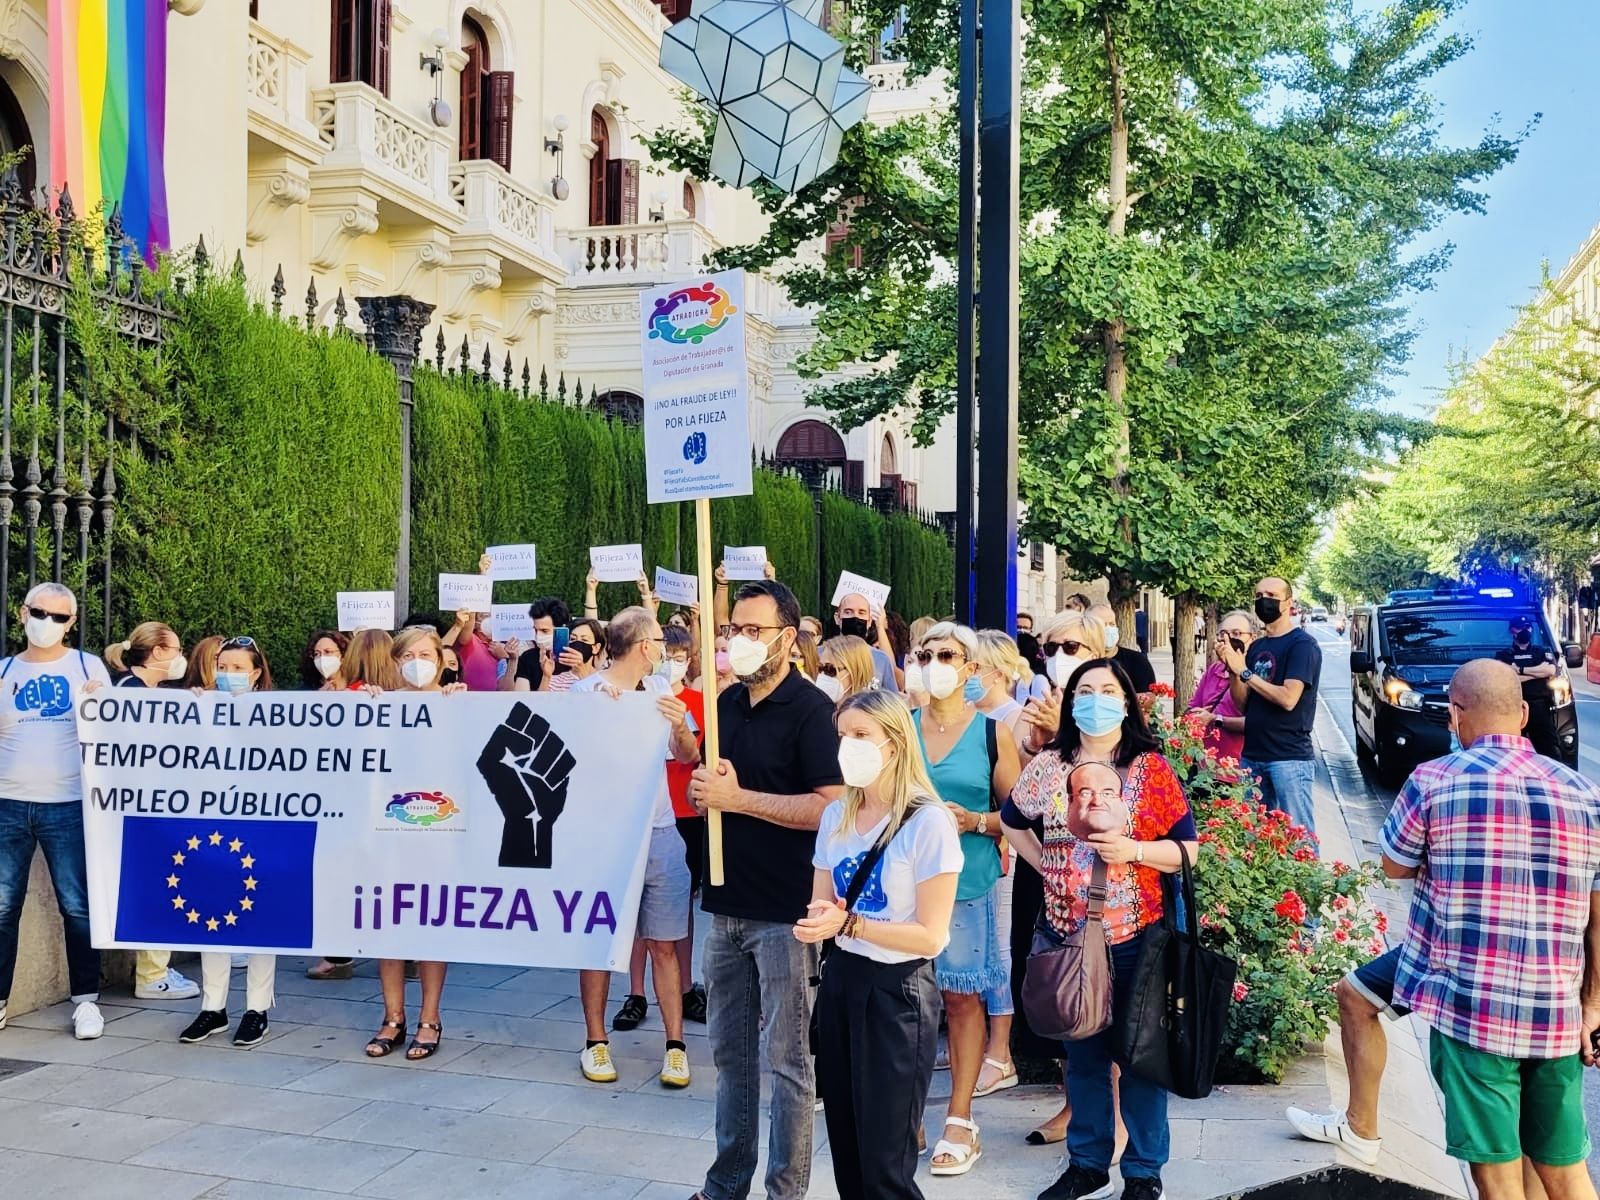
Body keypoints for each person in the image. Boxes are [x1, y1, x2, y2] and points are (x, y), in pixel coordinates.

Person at [1378, 658, 1600, 1200]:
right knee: (1568, 1174)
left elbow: (1393, 865)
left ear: (1455, 715)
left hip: (1473, 1011)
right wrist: (1593, 1004)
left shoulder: (1433, 780)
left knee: (1498, 1181)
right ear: (1523, 714)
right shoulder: (1584, 793)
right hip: (1556, 1012)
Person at [1003, 658, 1199, 1200]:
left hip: (1138, 937)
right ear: (1070, 703)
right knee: (1083, 1057)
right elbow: (1011, 820)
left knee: (1140, 1060)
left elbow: (1188, 850)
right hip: (1069, 939)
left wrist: (1135, 849)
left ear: (1126, 701)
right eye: (1084, 690)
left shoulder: (1149, 769)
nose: (1095, 699)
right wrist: (1045, 864)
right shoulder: (1048, 766)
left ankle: (1143, 1172)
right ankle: (1087, 1162)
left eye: (1107, 690)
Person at [688, 580, 845, 1200]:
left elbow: (830, 806)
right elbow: (715, 782)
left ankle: (787, 1190)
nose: (741, 642)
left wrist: (738, 800)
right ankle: (727, 1182)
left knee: (787, 1063)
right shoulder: (724, 706)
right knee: (730, 1058)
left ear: (788, 637)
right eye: (734, 630)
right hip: (725, 904)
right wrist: (707, 783)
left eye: (755, 631)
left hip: (785, 910)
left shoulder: (812, 712)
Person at [798, 689, 962, 1200]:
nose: (847, 746)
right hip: (843, 981)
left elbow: (931, 935)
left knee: (885, 1159)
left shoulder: (927, 822)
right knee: (847, 1148)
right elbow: (822, 902)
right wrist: (820, 924)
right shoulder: (837, 816)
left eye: (861, 736)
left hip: (898, 992)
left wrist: (848, 925)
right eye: (842, 735)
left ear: (893, 743)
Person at [567, 607, 700, 1087]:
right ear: (646, 646)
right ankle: (596, 1041)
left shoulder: (661, 692)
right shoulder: (583, 693)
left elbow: (687, 755)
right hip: (604, 838)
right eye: (660, 643)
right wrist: (597, 718)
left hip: (660, 832)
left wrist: (680, 725)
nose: (665, 652)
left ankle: (675, 1046)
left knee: (664, 942)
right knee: (598, 941)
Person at [911, 623, 1021, 1177]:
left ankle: (960, 1117)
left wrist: (976, 820)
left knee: (959, 999)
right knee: (906, 1000)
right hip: (904, 887)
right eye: (925, 653)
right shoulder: (901, 729)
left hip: (966, 882)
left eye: (947, 654)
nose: (934, 663)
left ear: (971, 668)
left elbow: (1020, 816)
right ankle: (909, 1112)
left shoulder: (991, 734)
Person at [0, 583, 111, 1041]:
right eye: (41, 612)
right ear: (23, 613)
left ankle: (86, 1001)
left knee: (77, 905)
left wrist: (100, 701)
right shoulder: (4, 671)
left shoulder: (88, 667)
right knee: (2, 907)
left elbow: (122, 732)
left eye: (59, 617)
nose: (48, 622)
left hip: (68, 805)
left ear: (72, 623)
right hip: (7, 804)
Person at [361, 627, 465, 1061]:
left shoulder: (458, 703)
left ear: (441, 660)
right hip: (389, 830)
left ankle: (429, 1017)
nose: (418, 662)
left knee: (430, 924)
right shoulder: (379, 704)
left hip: (439, 833)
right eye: (410, 655)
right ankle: (393, 1016)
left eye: (427, 654)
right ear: (396, 661)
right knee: (388, 925)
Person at [179, 636, 280, 1048]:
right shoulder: (200, 706)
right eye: (224, 665)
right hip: (212, 822)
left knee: (262, 920)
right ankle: (213, 1007)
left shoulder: (281, 713)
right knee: (210, 912)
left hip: (264, 824)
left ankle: (257, 1008)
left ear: (256, 673)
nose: (229, 674)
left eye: (239, 667)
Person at [107, 622, 201, 1002]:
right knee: (158, 884)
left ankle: (154, 969)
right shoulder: (132, 693)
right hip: (138, 811)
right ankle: (152, 975)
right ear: (159, 652)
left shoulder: (142, 691)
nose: (181, 657)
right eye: (177, 649)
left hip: (141, 808)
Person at [1219, 577, 1322, 837]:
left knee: (1298, 837)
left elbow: (1289, 698)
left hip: (1289, 758)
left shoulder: (1302, 645)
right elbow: (1244, 705)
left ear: (1288, 603)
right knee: (1255, 837)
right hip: (1253, 755)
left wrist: (1244, 672)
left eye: (1271, 595)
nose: (1263, 600)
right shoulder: (1258, 647)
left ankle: (1307, 879)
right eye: (1258, 594)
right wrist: (1234, 668)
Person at [1188, 609, 1257, 762]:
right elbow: (1193, 706)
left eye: (1237, 633)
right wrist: (1195, 715)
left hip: (1238, 767)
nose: (1228, 639)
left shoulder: (1256, 675)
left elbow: (1256, 724)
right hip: (1205, 764)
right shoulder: (1214, 669)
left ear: (1252, 638)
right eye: (1222, 634)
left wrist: (1214, 719)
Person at [1495, 615, 1562, 759]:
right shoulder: (1504, 654)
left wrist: (1519, 670)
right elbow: (1505, 676)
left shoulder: (1542, 651)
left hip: (1540, 708)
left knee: (1549, 751)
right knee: (1511, 752)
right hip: (1513, 709)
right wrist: (1537, 673)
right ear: (1512, 630)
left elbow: (1550, 671)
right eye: (1521, 627)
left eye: (1527, 627)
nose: (1525, 630)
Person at [835, 591, 900, 692]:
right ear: (837, 618)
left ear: (869, 621)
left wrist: (880, 627)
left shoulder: (881, 659)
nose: (855, 617)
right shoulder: (820, 654)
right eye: (848, 612)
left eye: (861, 612)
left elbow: (891, 701)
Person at [1088, 602, 1156, 695]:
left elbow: (1148, 700)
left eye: (1112, 624)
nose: (1108, 629)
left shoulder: (1137, 661)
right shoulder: (1080, 660)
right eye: (1103, 625)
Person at [546, 618, 604, 693]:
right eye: (573, 639)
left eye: (584, 640)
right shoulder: (557, 680)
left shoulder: (606, 677)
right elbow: (542, 702)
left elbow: (598, 703)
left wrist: (583, 674)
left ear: (596, 648)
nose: (577, 643)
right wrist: (546, 676)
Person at [817, 634, 877, 705]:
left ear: (855, 670)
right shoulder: (816, 706)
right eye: (820, 668)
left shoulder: (870, 712)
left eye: (830, 669)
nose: (822, 675)